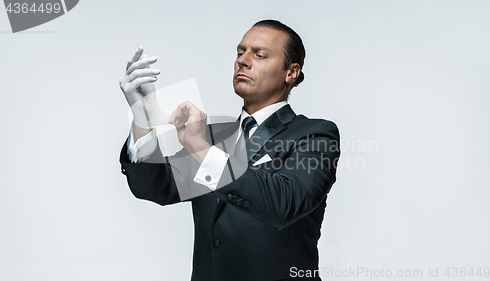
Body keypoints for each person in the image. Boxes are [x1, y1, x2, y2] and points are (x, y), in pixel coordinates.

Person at [119, 19, 340, 281]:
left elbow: (284, 203)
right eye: (240, 52)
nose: (243, 61)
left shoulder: (315, 134)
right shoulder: (213, 136)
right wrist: (143, 119)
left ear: (291, 72)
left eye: (259, 54)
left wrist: (200, 147)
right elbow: (155, 187)